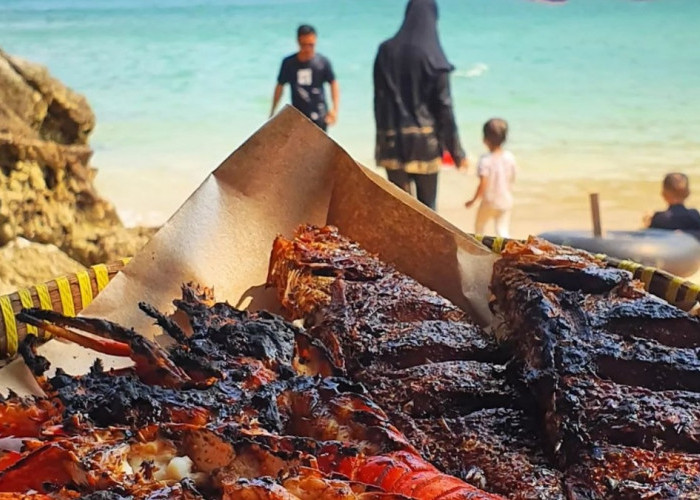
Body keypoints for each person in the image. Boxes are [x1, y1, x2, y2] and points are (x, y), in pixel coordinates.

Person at [373, 0, 467, 210]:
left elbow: (379, 101)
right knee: (427, 212)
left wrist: (382, 140)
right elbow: (444, 107)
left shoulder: (385, 51)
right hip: (425, 144)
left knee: (400, 210)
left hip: (392, 142)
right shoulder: (434, 56)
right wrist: (457, 152)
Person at [270, 25, 339, 132]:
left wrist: (334, 109)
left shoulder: (323, 62)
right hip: (297, 116)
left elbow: (333, 84)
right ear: (298, 42)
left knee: (318, 148)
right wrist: (273, 111)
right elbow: (280, 86)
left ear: (316, 41)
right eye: (304, 45)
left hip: (320, 115)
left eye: (311, 45)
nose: (307, 49)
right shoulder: (289, 63)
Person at [465, 118, 517, 238]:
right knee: (502, 230)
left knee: (479, 227)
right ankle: (507, 250)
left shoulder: (485, 160)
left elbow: (483, 183)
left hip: (489, 201)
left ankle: (478, 250)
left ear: (485, 139)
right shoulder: (510, 157)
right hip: (505, 200)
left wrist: (473, 200)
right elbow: (512, 177)